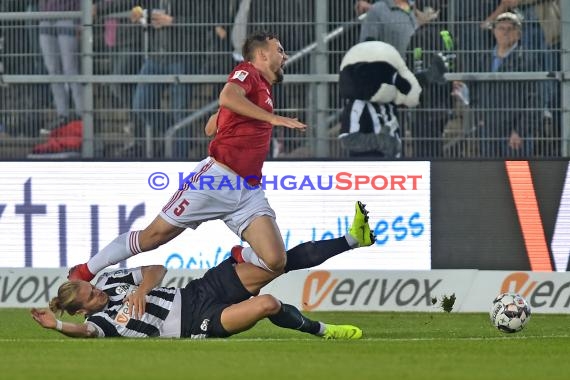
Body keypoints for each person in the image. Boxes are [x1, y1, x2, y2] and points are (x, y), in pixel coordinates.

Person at [67, 31, 311, 285]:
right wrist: (272, 118)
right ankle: (86, 270)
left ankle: (239, 254)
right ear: (262, 54)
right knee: (152, 237)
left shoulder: (262, 88)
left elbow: (212, 124)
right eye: (280, 50)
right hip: (215, 179)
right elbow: (228, 96)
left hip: (248, 189)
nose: (285, 56)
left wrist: (222, 118)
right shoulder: (247, 71)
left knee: (275, 261)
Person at [31, 203, 375, 339]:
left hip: (199, 290)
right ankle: (325, 331)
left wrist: (142, 289)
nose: (97, 292)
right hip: (198, 322)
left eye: (91, 287)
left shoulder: (110, 281)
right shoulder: (99, 324)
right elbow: (86, 334)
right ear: (82, 311)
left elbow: (156, 267)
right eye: (91, 296)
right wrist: (59, 326)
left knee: (277, 261)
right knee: (268, 303)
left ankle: (352, 239)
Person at [457, 12, 540, 157]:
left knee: (519, 178)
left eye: (510, 28)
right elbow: (475, 93)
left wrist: (520, 131)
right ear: (494, 31)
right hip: (488, 131)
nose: (505, 32)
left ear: (519, 34)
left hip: (515, 134)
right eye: (501, 28)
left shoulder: (528, 61)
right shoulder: (483, 60)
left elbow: (536, 99)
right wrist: (480, 119)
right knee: (492, 176)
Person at [38, 0, 84, 131]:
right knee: (52, 70)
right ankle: (62, 114)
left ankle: (81, 114)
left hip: (68, 16)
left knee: (70, 69)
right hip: (45, 18)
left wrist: (80, 21)